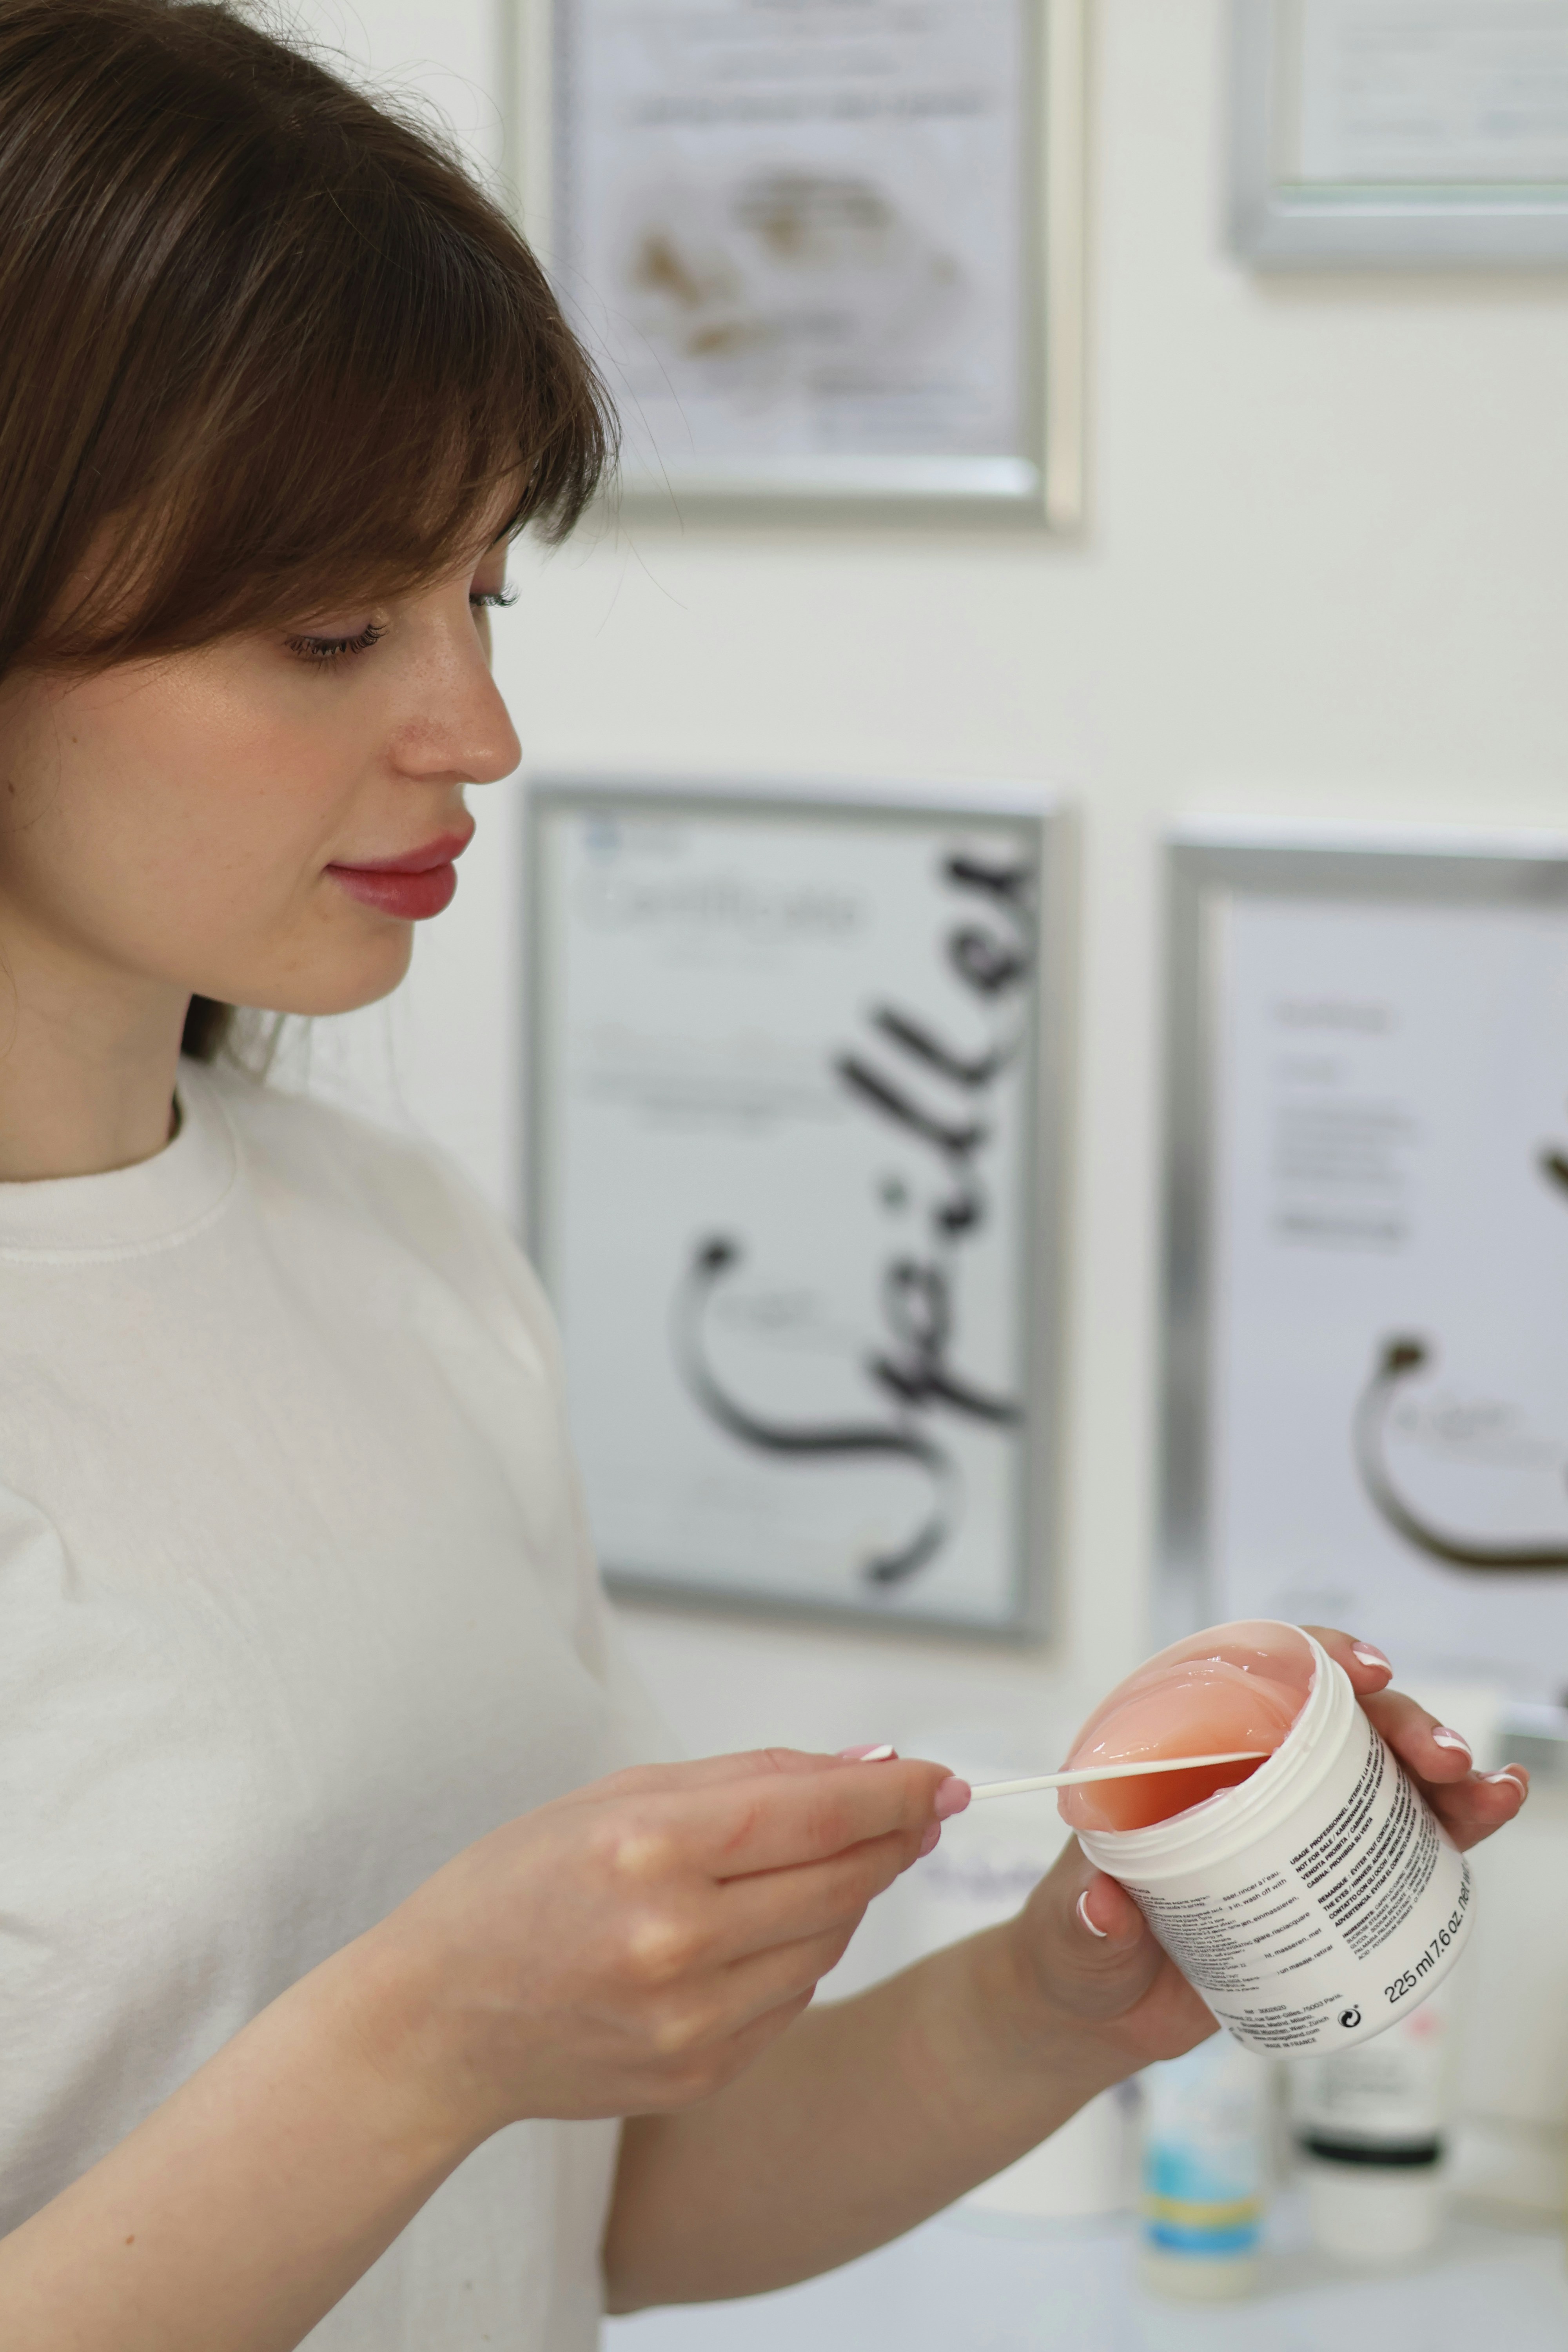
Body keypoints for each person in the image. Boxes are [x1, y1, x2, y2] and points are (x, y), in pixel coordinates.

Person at [0, 6, 1527, 2347]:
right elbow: (425, 2097)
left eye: (482, 597)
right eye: (334, 628)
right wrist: (413, 2040)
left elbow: (586, 2216)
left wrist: (1073, 1990)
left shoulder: (403, 1254)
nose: (479, 732)